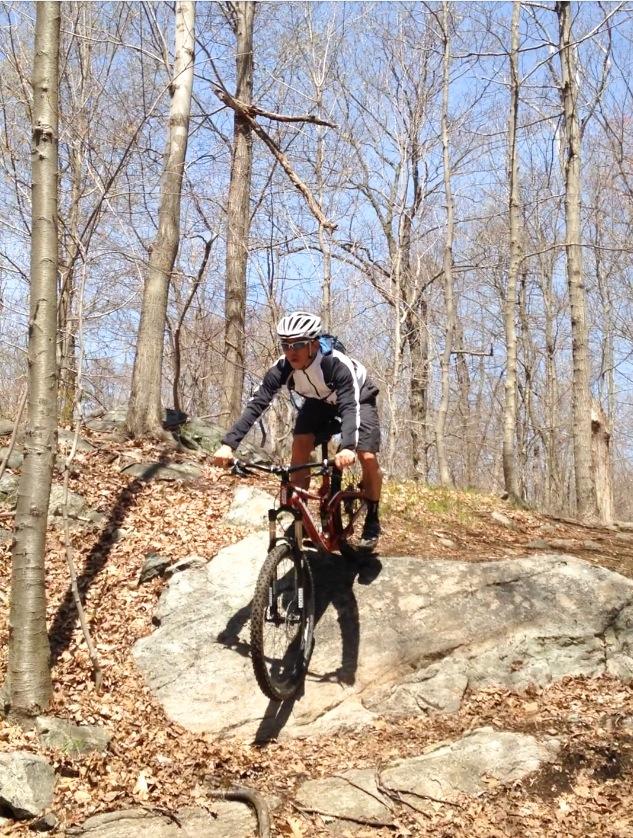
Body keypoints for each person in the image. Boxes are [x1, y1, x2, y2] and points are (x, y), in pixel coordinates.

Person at [213, 311, 383, 550]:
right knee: (300, 444)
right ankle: (298, 515)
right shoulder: (282, 367)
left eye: (298, 344)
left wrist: (347, 448)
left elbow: (349, 406)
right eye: (285, 344)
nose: (291, 351)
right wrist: (229, 444)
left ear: (313, 345)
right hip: (318, 400)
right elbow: (257, 403)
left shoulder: (335, 364)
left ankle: (373, 516)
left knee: (366, 455)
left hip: (358, 397)